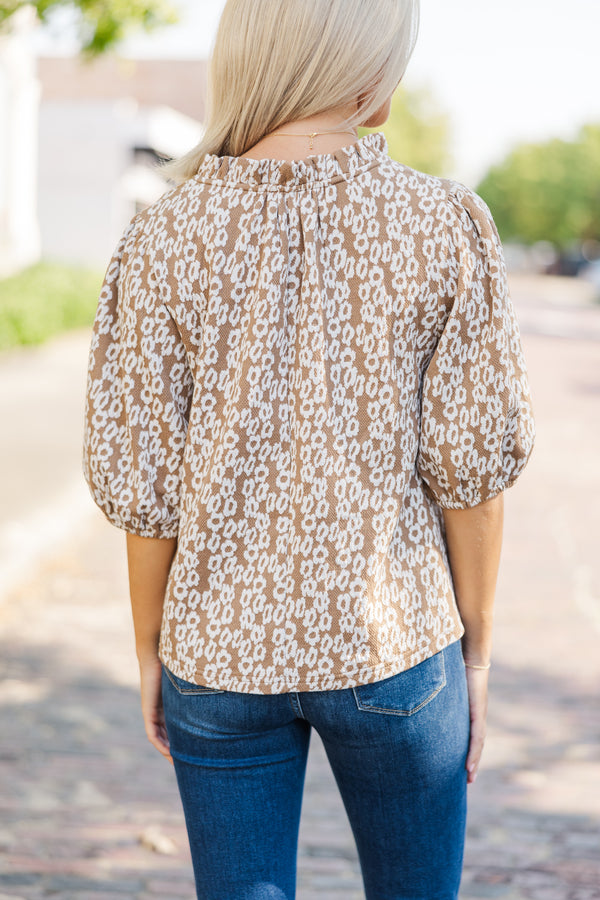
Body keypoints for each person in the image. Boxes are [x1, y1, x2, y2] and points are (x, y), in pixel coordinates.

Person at [83, 0, 535, 897]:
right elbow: (470, 475)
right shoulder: (444, 225)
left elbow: (146, 486)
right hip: (396, 646)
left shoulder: (160, 237)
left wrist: (149, 650)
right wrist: (475, 659)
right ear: (371, 75)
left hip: (215, 656)